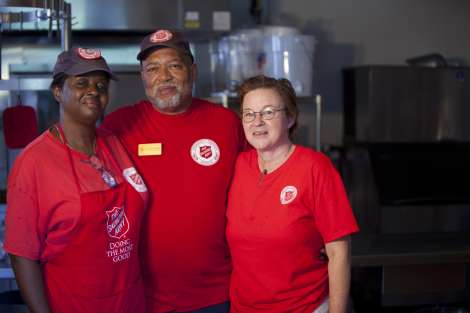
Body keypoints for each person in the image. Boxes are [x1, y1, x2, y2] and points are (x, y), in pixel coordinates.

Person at [101, 29, 246, 313]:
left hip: (215, 292)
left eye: (174, 66)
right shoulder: (120, 126)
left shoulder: (226, 123)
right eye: (152, 69)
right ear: (143, 76)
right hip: (141, 294)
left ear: (193, 71)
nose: (163, 76)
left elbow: (259, 187)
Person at [4, 48, 148, 313]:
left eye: (100, 85)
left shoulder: (114, 143)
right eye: (81, 83)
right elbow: (22, 255)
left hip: (131, 302)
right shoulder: (34, 162)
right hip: (73, 304)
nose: (93, 90)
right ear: (58, 92)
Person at [226, 75, 359, 313]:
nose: (257, 122)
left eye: (268, 112)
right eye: (249, 114)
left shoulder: (315, 168)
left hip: (304, 306)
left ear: (290, 117)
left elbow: (339, 252)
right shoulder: (238, 166)